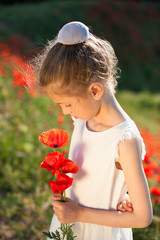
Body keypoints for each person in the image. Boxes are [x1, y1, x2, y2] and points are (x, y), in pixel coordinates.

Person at [35, 21, 153, 240]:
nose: (64, 111)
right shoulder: (82, 120)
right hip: (71, 227)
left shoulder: (124, 140)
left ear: (95, 90)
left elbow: (143, 217)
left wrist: (79, 213)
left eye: (67, 104)